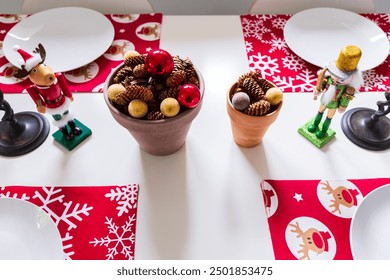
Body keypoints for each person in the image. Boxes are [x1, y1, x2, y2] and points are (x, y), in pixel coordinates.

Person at [13, 44, 82, 141]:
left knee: (67, 114)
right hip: (51, 106)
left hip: (62, 100)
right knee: (59, 120)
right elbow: (37, 98)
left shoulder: (58, 77)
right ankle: (66, 133)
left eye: (44, 65)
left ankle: (73, 128)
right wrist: (40, 105)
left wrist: (69, 95)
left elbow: (64, 87)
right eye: (35, 70)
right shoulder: (33, 87)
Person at [308, 45, 363, 139]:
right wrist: (318, 90)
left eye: (341, 78)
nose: (337, 79)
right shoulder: (329, 79)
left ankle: (323, 131)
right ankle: (315, 125)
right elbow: (322, 85)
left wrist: (343, 106)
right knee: (320, 112)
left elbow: (346, 98)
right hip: (324, 99)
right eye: (335, 75)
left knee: (329, 117)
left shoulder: (346, 88)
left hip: (334, 104)